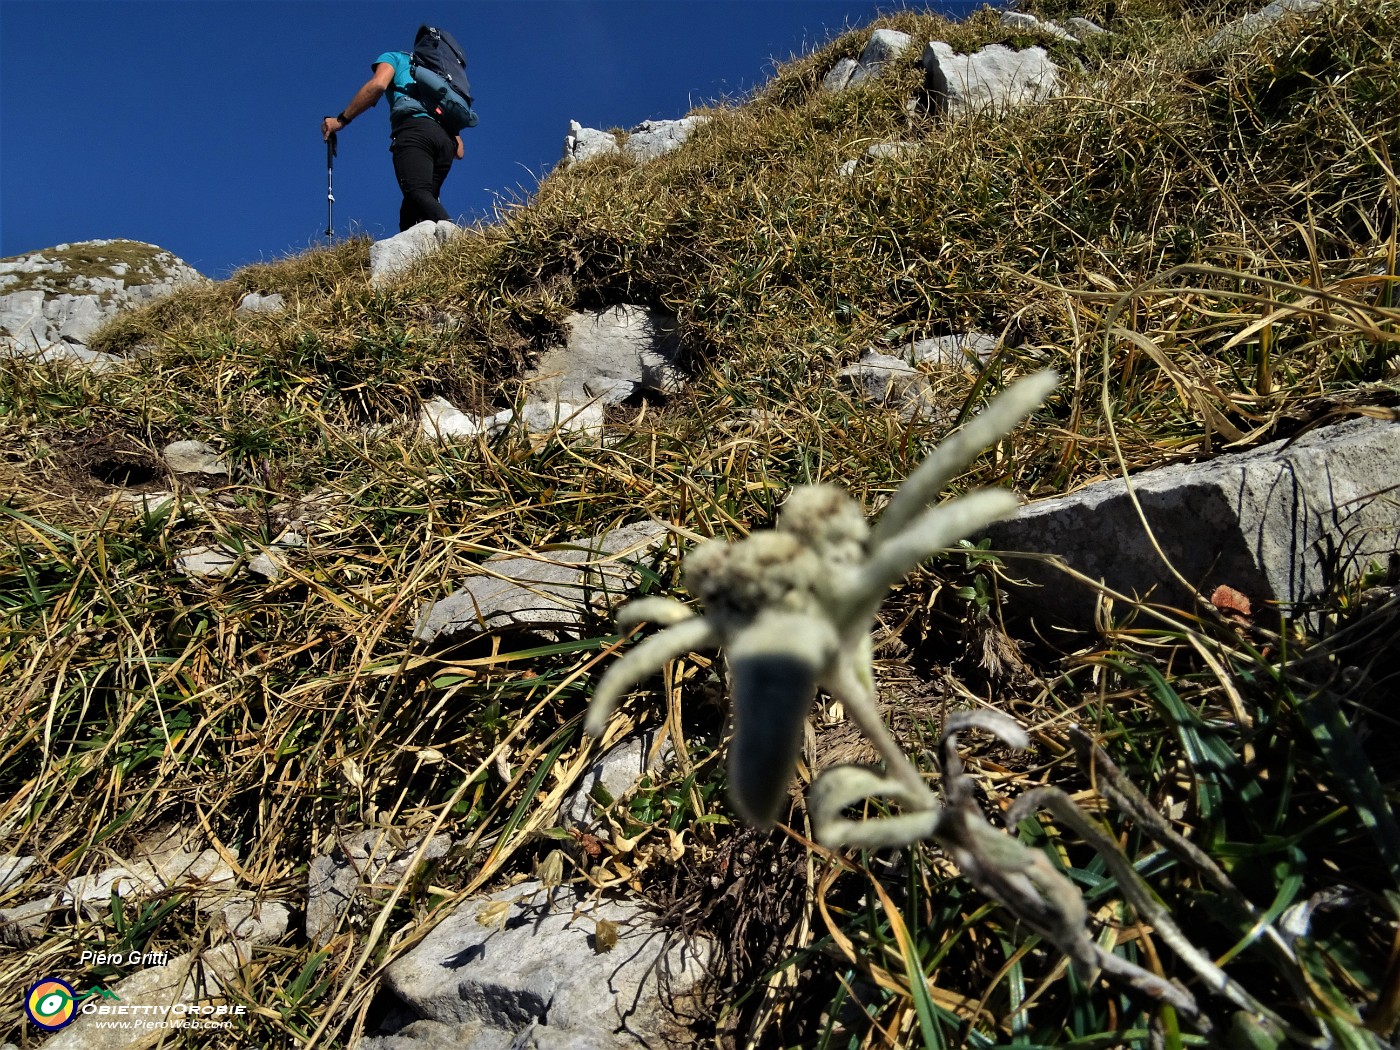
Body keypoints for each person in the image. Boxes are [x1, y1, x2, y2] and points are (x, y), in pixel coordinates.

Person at [321, 44, 465, 232]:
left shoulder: (395, 57)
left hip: (414, 132)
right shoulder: (439, 78)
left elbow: (378, 85)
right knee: (413, 211)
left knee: (417, 191)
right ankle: (411, 257)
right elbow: (459, 151)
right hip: (445, 143)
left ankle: (456, 240)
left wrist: (340, 121)